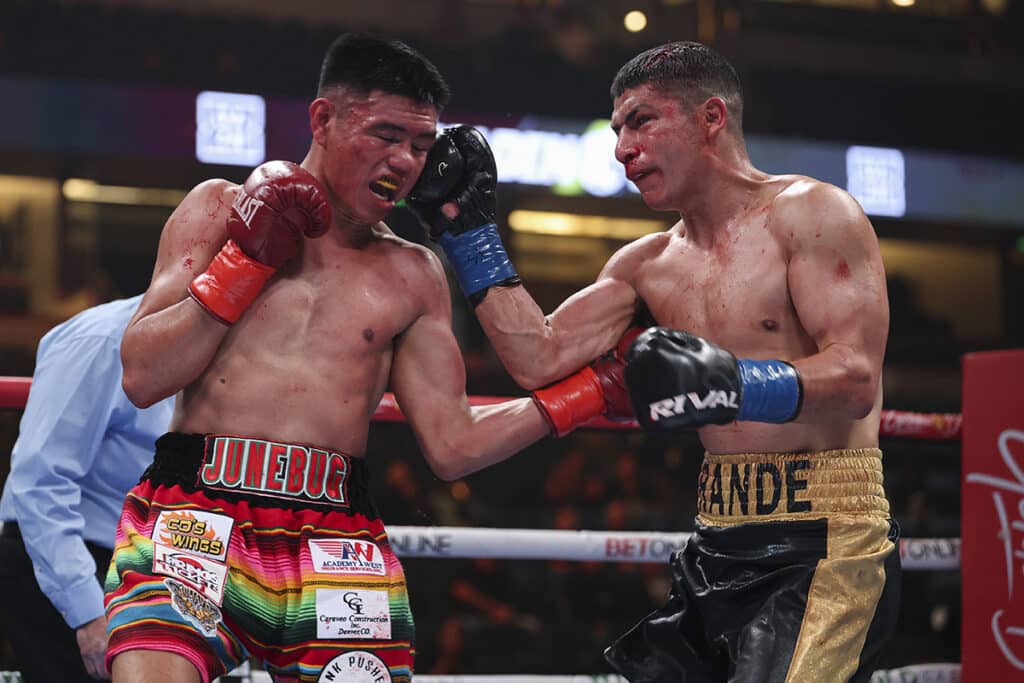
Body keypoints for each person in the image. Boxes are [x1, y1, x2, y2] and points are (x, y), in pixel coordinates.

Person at [106, 33, 630, 683]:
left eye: (419, 144)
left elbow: (453, 443)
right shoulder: (216, 209)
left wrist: (591, 392)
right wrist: (244, 265)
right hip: (195, 514)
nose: (404, 161)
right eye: (384, 135)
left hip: (335, 537)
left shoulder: (415, 274)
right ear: (323, 120)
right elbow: (141, 374)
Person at [408, 41, 899, 682]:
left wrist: (736, 383)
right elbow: (538, 354)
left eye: (641, 121)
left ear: (711, 117)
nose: (621, 148)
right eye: (617, 130)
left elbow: (857, 376)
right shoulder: (645, 264)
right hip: (716, 538)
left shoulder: (810, 213)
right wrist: (470, 237)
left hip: (826, 539)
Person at [0, 295, 174, 682]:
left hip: (160, 571)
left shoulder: (225, 347)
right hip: (72, 562)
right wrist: (88, 611)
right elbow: (39, 481)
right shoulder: (101, 338)